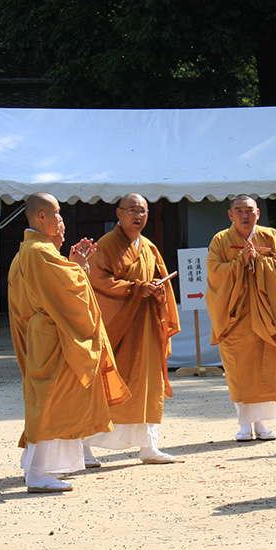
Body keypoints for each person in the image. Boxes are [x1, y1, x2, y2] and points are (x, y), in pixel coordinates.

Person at [8, 192, 130, 493]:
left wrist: (74, 265)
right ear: (41, 217)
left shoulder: (32, 250)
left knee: (49, 400)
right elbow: (68, 292)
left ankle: (35, 464)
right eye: (58, 214)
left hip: (47, 334)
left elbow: (58, 285)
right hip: (54, 335)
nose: (61, 221)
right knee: (51, 401)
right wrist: (77, 268)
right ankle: (38, 472)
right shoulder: (39, 252)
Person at [84, 193, 181, 465]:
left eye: (143, 211)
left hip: (146, 325)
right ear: (118, 213)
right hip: (120, 327)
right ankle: (84, 445)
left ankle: (149, 446)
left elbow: (162, 284)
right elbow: (98, 283)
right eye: (132, 210)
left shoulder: (149, 247)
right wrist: (136, 289)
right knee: (111, 383)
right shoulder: (106, 245)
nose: (138, 216)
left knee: (149, 384)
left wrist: (157, 291)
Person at [206, 194, 276, 441]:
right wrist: (239, 263)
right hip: (236, 318)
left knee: (266, 370)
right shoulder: (221, 240)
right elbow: (214, 275)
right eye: (239, 210)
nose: (245, 215)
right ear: (230, 215)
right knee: (240, 372)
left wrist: (259, 261)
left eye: (249, 210)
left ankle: (262, 423)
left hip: (267, 317)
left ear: (258, 214)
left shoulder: (273, 237)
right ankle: (244, 424)